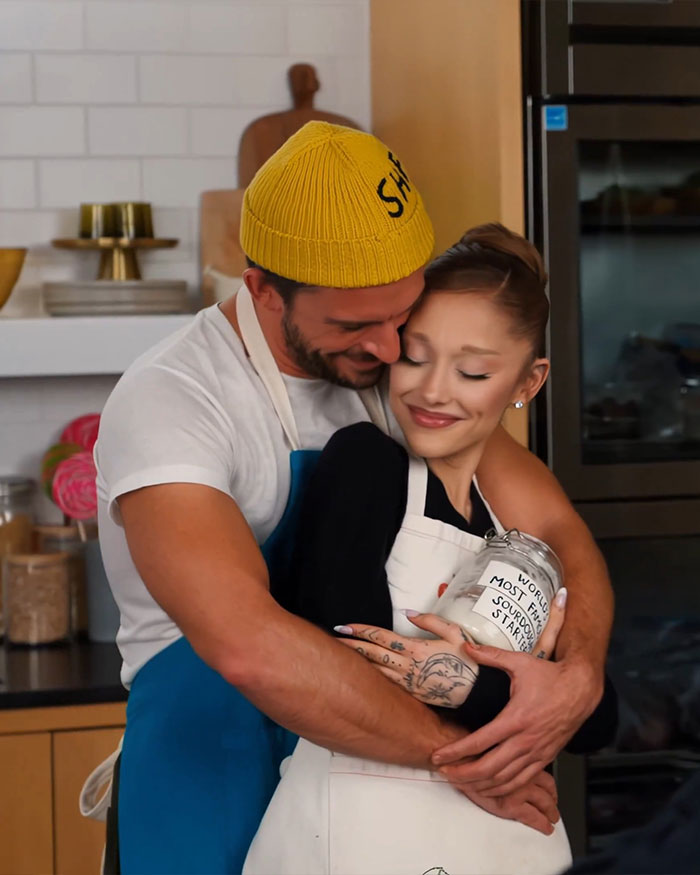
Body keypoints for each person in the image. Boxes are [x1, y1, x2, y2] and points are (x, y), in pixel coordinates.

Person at [95, 121, 613, 874]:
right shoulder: (174, 399)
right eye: (354, 325)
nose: (387, 349)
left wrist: (578, 680)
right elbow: (248, 647)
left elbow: (558, 534)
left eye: (401, 315)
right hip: (208, 774)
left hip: (371, 790)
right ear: (263, 290)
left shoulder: (402, 381)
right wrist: (466, 755)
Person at [243, 224, 617, 875]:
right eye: (414, 358)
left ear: (528, 381)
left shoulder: (513, 532)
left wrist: (534, 690)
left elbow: (595, 720)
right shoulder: (365, 466)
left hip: (504, 842)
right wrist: (506, 693)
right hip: (361, 833)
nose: (433, 390)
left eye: (473, 371)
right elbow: (344, 655)